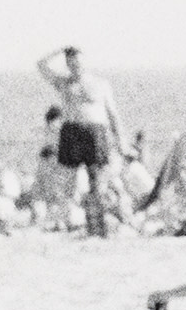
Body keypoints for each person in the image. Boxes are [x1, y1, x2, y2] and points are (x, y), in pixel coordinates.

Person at [35, 45, 127, 237]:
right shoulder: (63, 83)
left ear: (85, 60)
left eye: (77, 60)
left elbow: (113, 114)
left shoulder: (100, 84)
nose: (74, 64)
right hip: (71, 131)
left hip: (95, 131)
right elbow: (41, 65)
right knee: (68, 181)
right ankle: (69, 223)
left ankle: (98, 226)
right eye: (70, 61)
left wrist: (121, 141)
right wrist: (58, 50)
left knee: (97, 180)